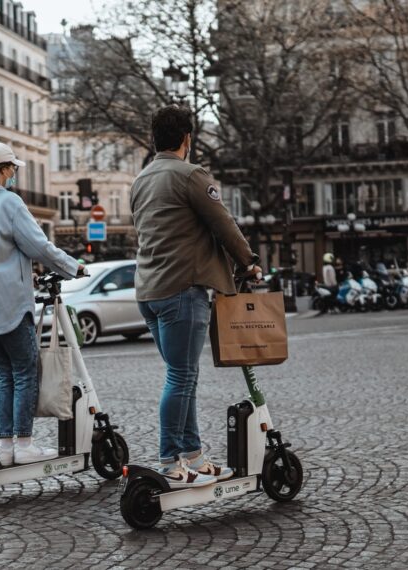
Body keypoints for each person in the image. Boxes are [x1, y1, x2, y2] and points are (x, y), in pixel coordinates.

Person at [130, 104, 261, 488]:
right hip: (182, 289)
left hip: (149, 291)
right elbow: (224, 224)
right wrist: (248, 261)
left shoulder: (141, 180)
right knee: (181, 376)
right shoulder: (190, 175)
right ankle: (170, 459)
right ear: (188, 138)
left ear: (155, 139)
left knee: (183, 376)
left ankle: (195, 457)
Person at [0, 141, 83, 466]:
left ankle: (5, 446)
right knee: (26, 371)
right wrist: (73, 267)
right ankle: (24, 444)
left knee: (4, 374)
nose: (14, 174)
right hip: (8, 303)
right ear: (4, 170)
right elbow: (38, 246)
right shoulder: (8, 203)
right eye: (13, 168)